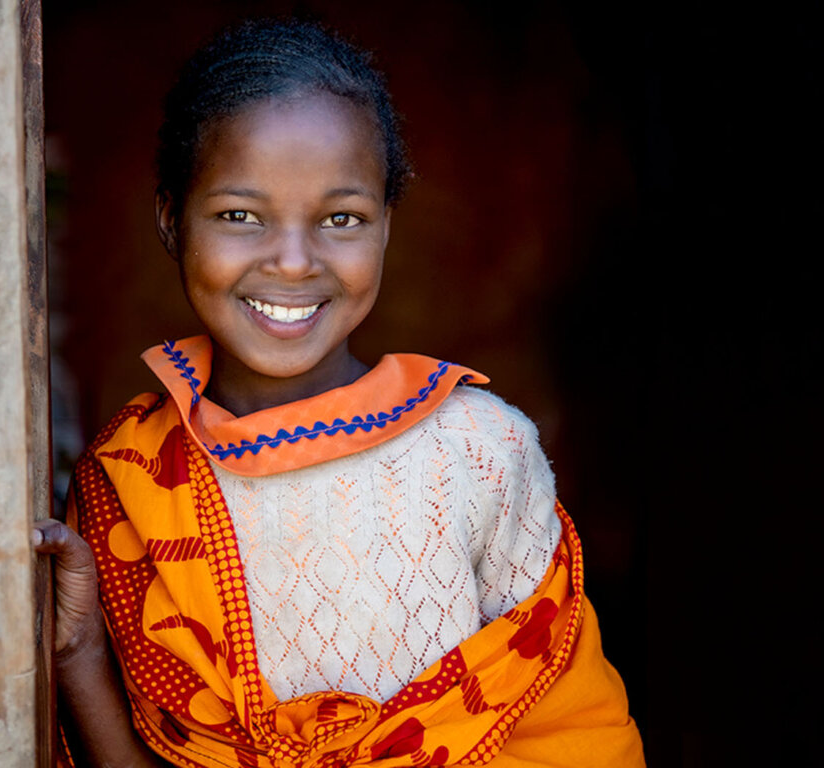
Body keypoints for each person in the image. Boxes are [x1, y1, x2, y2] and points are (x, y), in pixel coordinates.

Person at [33, 20, 645, 768]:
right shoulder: (129, 481)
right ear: (171, 220)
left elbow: (575, 740)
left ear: (387, 227)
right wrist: (77, 653)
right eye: (239, 216)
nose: (293, 262)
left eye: (341, 219)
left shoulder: (482, 454)